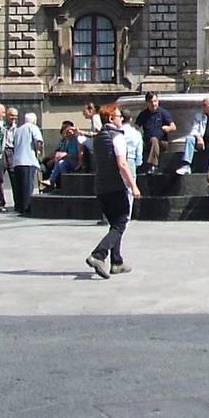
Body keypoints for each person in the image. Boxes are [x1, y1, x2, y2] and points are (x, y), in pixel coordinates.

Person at [85, 103, 140, 278]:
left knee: (115, 224)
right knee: (121, 223)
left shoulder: (99, 137)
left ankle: (117, 262)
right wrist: (133, 185)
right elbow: (122, 164)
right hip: (115, 186)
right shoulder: (117, 137)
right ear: (110, 118)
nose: (121, 119)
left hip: (101, 187)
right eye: (118, 116)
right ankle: (98, 255)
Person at [135, 92, 177, 175]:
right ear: (147, 103)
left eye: (155, 101)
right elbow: (136, 127)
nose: (153, 104)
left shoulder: (163, 113)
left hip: (162, 142)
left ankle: (152, 165)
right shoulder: (143, 114)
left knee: (154, 139)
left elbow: (173, 127)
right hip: (147, 142)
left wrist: (168, 128)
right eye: (151, 102)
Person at [9, 112, 43, 215]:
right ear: (34, 120)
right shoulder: (33, 127)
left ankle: (19, 206)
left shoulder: (18, 130)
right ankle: (27, 208)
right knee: (27, 186)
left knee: (19, 186)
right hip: (28, 160)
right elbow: (39, 141)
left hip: (17, 161)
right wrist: (38, 151)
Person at [44, 121, 81, 190]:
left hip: (77, 162)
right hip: (69, 160)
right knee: (60, 162)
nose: (66, 135)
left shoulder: (77, 139)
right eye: (65, 133)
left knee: (61, 163)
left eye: (68, 132)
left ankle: (54, 181)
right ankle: (56, 182)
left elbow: (79, 156)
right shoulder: (68, 141)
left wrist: (65, 155)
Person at [0, 106, 19, 212]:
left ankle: (18, 203)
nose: (13, 118)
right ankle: (0, 203)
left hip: (12, 152)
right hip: (2, 152)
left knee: (15, 178)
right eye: (11, 115)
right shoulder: (0, 126)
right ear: (7, 115)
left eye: (15, 116)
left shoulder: (17, 129)